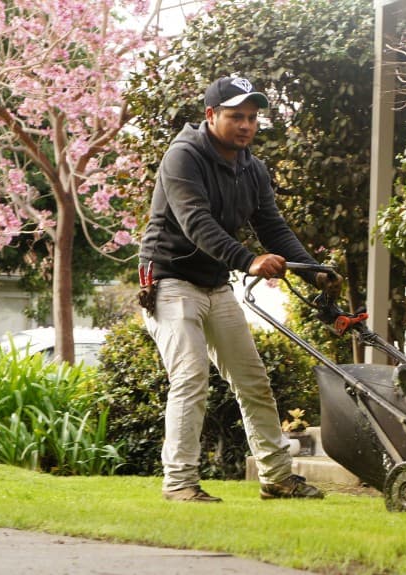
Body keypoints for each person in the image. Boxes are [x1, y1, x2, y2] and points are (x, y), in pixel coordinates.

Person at [138, 75, 338, 503]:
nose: (246, 125)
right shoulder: (182, 157)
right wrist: (248, 261)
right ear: (211, 116)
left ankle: (278, 479)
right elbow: (196, 223)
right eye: (236, 116)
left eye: (252, 117)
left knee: (252, 380)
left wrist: (313, 272)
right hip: (168, 280)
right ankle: (180, 484)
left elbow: (272, 227)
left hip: (214, 283)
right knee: (190, 378)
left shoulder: (252, 167)